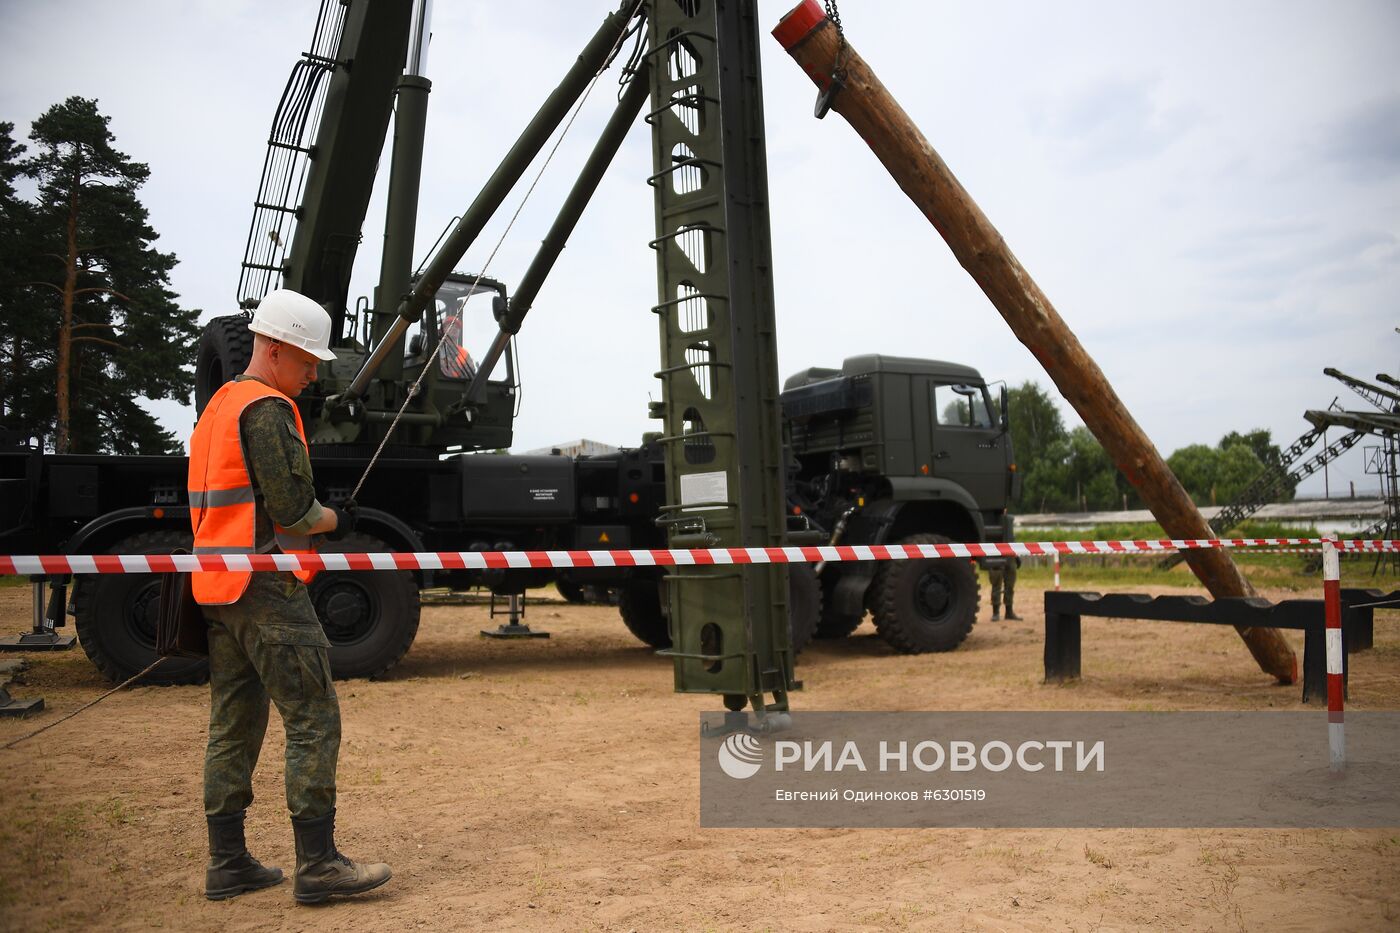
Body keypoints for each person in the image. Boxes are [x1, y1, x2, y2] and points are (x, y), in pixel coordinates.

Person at [188, 289, 391, 904]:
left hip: (220, 586)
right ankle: (319, 865)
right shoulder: (266, 409)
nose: (313, 375)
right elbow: (292, 510)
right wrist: (337, 519)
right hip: (267, 586)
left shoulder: (218, 407)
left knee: (234, 721)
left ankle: (228, 863)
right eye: (307, 362)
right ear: (273, 350)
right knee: (313, 717)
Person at [987, 556, 1021, 621]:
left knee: (1010, 585)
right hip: (995, 555)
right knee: (996, 584)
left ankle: (1009, 612)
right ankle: (995, 613)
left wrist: (1016, 556)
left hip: (1010, 555)